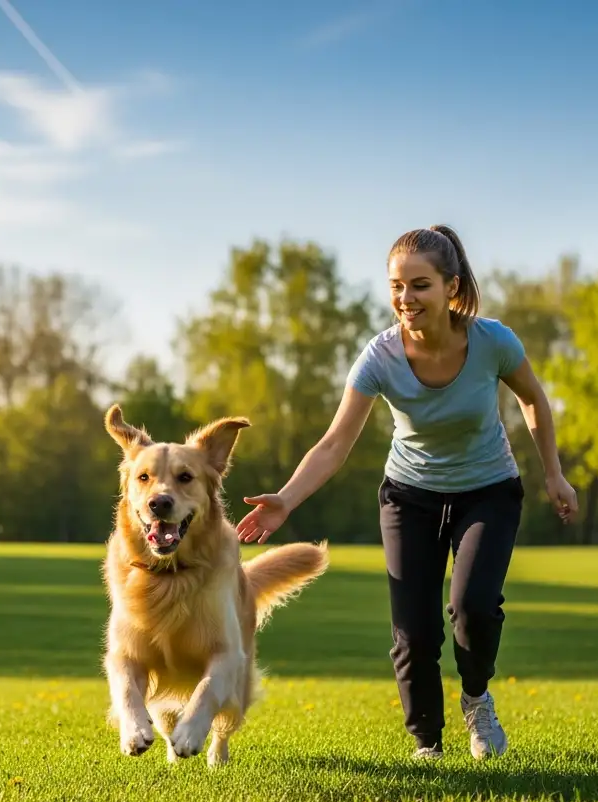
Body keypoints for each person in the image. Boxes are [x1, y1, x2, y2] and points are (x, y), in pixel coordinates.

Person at [235, 225, 578, 760]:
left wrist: (553, 474)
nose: (405, 298)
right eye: (396, 286)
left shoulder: (493, 342)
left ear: (450, 287)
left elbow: (533, 399)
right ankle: (427, 744)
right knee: (413, 632)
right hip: (410, 497)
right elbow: (335, 443)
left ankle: (476, 699)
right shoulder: (380, 357)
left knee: (473, 608)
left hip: (488, 491)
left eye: (419, 285)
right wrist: (287, 498)